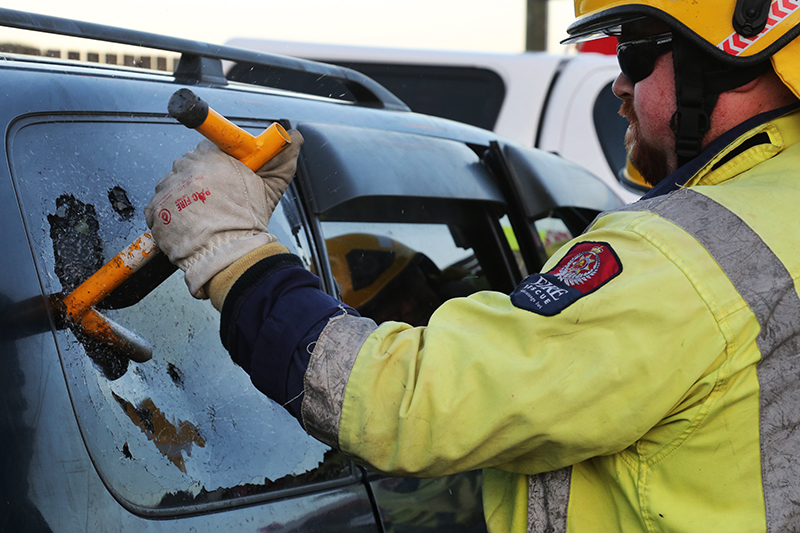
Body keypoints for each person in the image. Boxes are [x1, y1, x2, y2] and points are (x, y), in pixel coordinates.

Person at [145, 1, 800, 530]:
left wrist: (230, 251)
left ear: (733, 58)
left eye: (636, 49)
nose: (620, 84)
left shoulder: (689, 253)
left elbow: (403, 401)